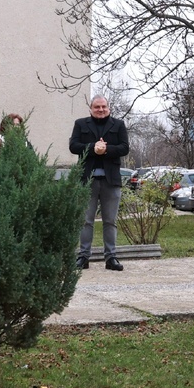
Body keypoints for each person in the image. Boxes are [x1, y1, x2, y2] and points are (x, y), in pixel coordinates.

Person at [69, 96, 130, 271]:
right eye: (97, 107)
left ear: (108, 108)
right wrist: (92, 148)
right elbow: (73, 146)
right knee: (86, 221)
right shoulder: (81, 124)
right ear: (91, 108)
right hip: (87, 180)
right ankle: (83, 257)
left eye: (103, 106)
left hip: (111, 181)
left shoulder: (118, 125)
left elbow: (124, 147)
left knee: (110, 221)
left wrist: (106, 149)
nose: (101, 109)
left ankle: (111, 258)